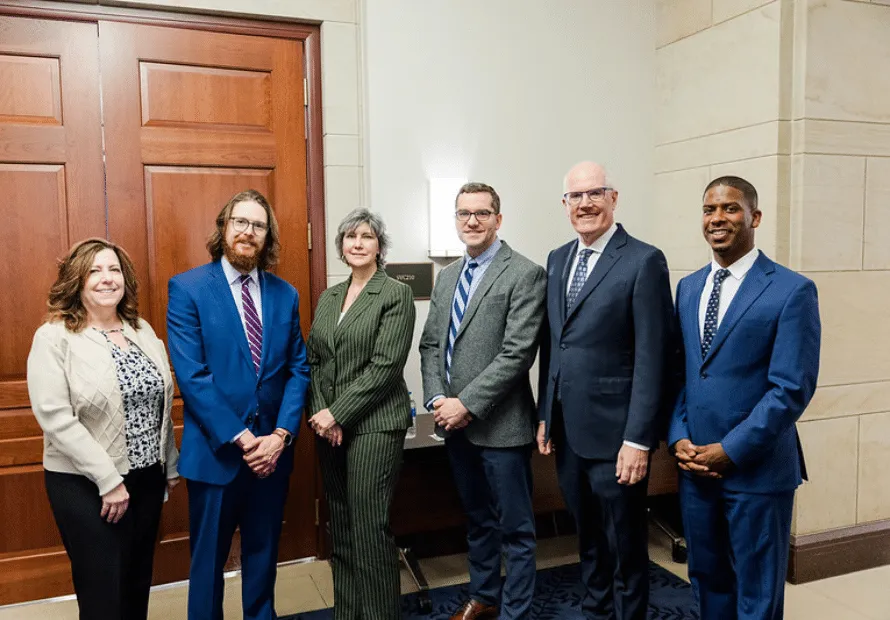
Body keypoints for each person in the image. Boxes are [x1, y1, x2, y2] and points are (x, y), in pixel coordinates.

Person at [667, 176, 820, 620]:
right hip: (694, 466)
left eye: (731, 208)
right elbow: (682, 374)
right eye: (709, 209)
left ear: (754, 217)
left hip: (755, 471)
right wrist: (679, 436)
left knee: (756, 592)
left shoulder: (791, 289)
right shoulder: (689, 287)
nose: (718, 218)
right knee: (708, 579)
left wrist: (730, 451)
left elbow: (792, 388)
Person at [536, 162, 674, 620]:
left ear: (614, 198)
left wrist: (638, 439)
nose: (585, 204)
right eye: (576, 196)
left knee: (625, 543)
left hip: (618, 437)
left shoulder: (642, 259)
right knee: (588, 538)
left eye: (595, 193)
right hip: (568, 433)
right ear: (564, 205)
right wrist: (544, 414)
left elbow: (655, 356)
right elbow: (553, 344)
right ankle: (596, 610)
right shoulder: (557, 259)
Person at [166, 189, 310, 620]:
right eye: (240, 223)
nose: (249, 232)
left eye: (259, 226)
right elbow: (193, 377)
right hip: (217, 455)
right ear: (224, 229)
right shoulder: (188, 288)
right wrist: (247, 439)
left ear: (269, 237)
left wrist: (281, 436)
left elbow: (298, 370)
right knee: (207, 565)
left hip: (273, 456)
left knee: (264, 559)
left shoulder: (285, 294)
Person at [26, 238, 179, 620]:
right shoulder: (54, 337)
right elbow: (56, 417)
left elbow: (159, 401)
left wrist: (169, 465)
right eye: (94, 271)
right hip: (86, 484)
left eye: (114, 270)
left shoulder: (140, 330)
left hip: (146, 478)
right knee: (102, 594)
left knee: (135, 583)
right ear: (76, 280)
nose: (106, 279)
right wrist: (108, 480)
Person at [420, 182, 546, 620]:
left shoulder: (525, 273)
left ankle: (516, 611)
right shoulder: (449, 276)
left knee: (516, 529)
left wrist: (465, 404)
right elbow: (431, 345)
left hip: (502, 427)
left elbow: (517, 354)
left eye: (481, 213)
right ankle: (484, 597)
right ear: (455, 220)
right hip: (455, 427)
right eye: (463, 214)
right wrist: (437, 397)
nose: (471, 221)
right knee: (477, 520)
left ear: (498, 218)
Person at [306, 208, 416, 620]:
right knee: (343, 527)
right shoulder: (329, 297)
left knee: (369, 530)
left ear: (379, 246)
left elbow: (386, 366)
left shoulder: (394, 293)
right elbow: (314, 359)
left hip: (375, 426)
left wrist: (338, 413)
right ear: (341, 246)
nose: (357, 243)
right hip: (329, 427)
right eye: (350, 237)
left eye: (366, 237)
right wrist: (321, 412)